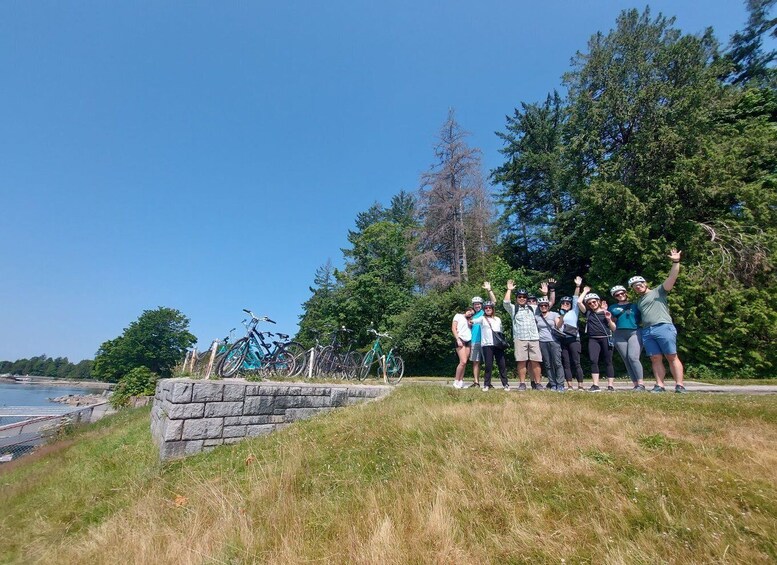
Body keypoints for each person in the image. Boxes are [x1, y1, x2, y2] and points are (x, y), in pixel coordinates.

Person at [629, 248, 686, 393]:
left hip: (663, 326)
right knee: (655, 358)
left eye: (640, 284)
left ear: (645, 283)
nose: (638, 286)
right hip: (648, 330)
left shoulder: (659, 291)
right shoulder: (639, 301)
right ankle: (660, 385)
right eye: (635, 286)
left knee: (671, 356)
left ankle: (679, 385)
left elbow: (672, 278)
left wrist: (675, 262)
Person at [502, 280, 544, 391]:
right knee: (521, 361)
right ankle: (522, 383)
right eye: (520, 296)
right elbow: (505, 303)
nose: (522, 298)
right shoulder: (513, 309)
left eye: (524, 297)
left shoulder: (533, 308)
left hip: (534, 338)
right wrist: (509, 290)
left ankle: (538, 383)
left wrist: (545, 294)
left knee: (536, 361)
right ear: (516, 298)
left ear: (527, 298)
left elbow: (546, 304)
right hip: (520, 338)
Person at [578, 289, 616, 392]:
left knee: (608, 361)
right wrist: (585, 291)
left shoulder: (606, 312)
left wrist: (608, 318)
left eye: (594, 302)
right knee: (593, 361)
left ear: (598, 301)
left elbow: (613, 328)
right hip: (593, 339)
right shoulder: (588, 313)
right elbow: (578, 302)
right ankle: (595, 385)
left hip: (606, 338)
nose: (592, 304)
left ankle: (610, 386)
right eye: (589, 303)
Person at [608, 285, 645, 391]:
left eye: (622, 293)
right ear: (615, 296)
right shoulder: (612, 307)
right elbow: (612, 325)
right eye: (617, 295)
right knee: (626, 360)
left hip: (634, 332)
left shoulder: (635, 305)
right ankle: (635, 384)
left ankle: (641, 384)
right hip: (619, 334)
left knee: (633, 357)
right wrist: (609, 319)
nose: (620, 295)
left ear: (625, 293)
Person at [470, 300, 509, 391]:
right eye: (486, 308)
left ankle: (505, 384)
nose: (488, 309)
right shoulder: (482, 318)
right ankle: (486, 384)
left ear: (492, 309)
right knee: (488, 365)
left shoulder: (497, 319)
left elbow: (501, 331)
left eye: (490, 308)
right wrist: (468, 316)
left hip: (498, 344)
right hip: (487, 344)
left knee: (502, 364)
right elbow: (473, 321)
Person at [557, 276, 585, 390]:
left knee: (576, 362)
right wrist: (562, 315)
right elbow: (558, 326)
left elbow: (575, 298)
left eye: (567, 303)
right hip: (564, 339)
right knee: (566, 363)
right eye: (563, 303)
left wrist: (578, 286)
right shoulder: (559, 314)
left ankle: (581, 385)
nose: (565, 305)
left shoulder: (574, 311)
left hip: (574, 339)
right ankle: (569, 385)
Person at [535, 296, 566, 391]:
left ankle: (560, 384)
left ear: (548, 306)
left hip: (554, 341)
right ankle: (553, 384)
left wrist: (562, 317)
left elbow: (559, 326)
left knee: (557, 363)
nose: (543, 307)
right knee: (548, 364)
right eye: (541, 305)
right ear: (539, 307)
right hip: (542, 342)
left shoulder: (553, 314)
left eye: (545, 305)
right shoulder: (537, 316)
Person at [451, 306, 474, 389]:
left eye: (472, 313)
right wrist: (457, 339)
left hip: (468, 340)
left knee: (465, 362)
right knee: (463, 362)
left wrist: (471, 324)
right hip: (460, 339)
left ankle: (461, 381)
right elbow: (453, 328)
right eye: (470, 311)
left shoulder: (470, 320)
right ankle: (456, 381)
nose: (470, 313)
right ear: (467, 310)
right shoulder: (458, 316)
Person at [468, 296, 485, 388]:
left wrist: (489, 290)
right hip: (474, 340)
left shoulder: (484, 312)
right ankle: (476, 382)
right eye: (475, 304)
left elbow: (494, 302)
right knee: (475, 362)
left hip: (485, 340)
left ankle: (487, 382)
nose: (477, 306)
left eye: (478, 304)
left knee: (487, 362)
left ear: (481, 305)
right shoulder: (472, 316)